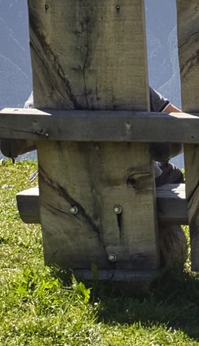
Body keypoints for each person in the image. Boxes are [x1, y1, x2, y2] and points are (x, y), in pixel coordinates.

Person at [15, 88, 188, 269]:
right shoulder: (131, 82)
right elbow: (181, 126)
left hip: (63, 183)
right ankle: (151, 237)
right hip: (132, 180)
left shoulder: (47, 84)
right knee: (172, 175)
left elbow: (27, 129)